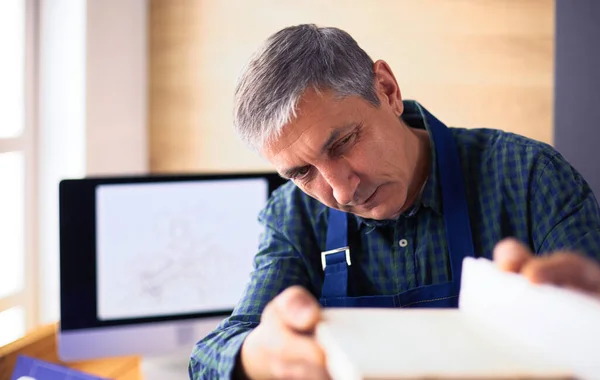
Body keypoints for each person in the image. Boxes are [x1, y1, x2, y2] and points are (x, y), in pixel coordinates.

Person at [188, 24, 600, 380]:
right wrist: (258, 357)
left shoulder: (528, 176)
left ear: (386, 89)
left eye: (344, 142)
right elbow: (210, 356)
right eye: (302, 173)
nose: (342, 191)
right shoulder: (291, 216)